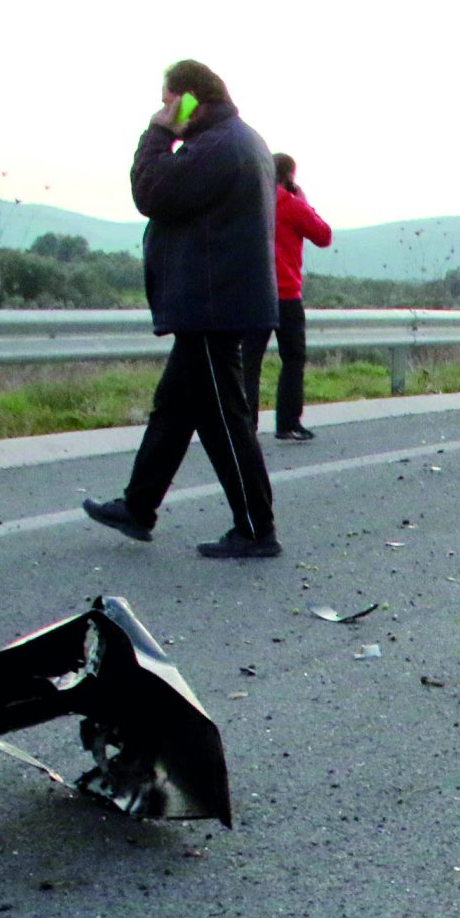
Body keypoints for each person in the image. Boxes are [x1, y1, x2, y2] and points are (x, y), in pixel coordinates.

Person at [83, 59, 282, 558]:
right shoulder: (238, 139)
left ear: (188, 97)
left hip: (212, 306)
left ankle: (256, 529)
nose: (164, 108)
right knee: (174, 408)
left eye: (168, 99)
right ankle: (138, 507)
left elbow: (151, 193)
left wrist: (158, 132)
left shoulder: (218, 145)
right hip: (216, 301)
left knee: (223, 418)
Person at [250, 153, 332, 441]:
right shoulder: (291, 205)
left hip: (253, 294)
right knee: (293, 359)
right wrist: (304, 202)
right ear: (290, 177)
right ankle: (288, 423)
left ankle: (245, 426)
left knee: (249, 362)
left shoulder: (251, 202)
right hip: (286, 294)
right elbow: (323, 235)